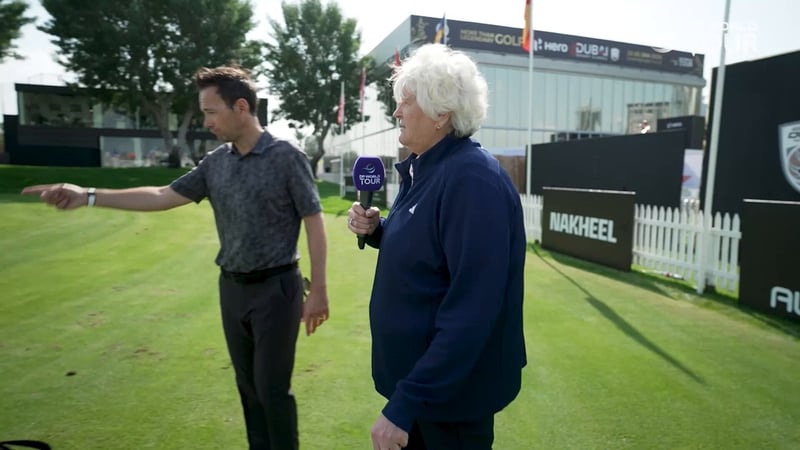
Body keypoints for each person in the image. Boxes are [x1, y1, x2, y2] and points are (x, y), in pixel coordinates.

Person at [21, 65, 329, 450]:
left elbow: (314, 221)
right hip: (232, 290)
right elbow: (162, 195)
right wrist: (89, 195)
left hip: (277, 290)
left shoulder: (286, 156)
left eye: (211, 112)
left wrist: (318, 290)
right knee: (248, 389)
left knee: (272, 389)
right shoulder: (216, 163)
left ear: (241, 107)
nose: (206, 122)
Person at [347, 44, 527, 450]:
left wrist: (407, 402)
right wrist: (380, 231)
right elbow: (432, 251)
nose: (396, 113)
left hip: (449, 405)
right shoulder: (430, 169)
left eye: (405, 103)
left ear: (441, 113)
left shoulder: (471, 181)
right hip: (426, 398)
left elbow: (473, 309)